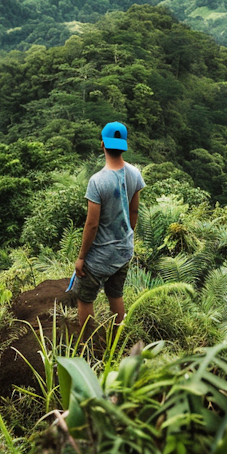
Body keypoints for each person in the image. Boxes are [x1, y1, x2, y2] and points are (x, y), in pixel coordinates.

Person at [73, 121, 145, 327]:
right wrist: (126, 237)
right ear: (124, 144)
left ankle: (88, 344)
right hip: (124, 250)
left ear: (102, 144)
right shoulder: (135, 174)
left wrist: (81, 258)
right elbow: (134, 211)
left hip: (100, 256)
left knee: (85, 297)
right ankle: (116, 341)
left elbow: (92, 225)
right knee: (115, 294)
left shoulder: (97, 181)